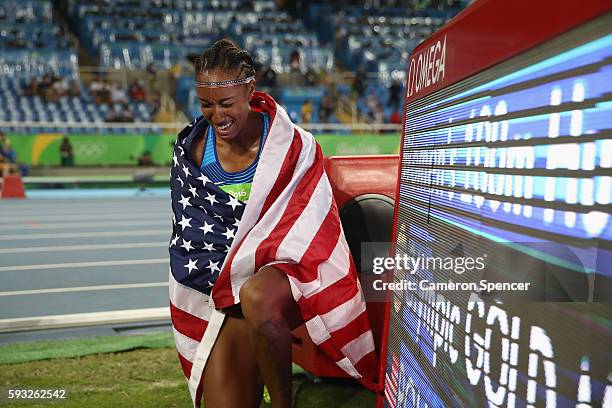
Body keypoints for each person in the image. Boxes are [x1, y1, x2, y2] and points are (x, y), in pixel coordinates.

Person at [169, 39, 378, 408]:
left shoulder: (292, 146)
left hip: (286, 273)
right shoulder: (193, 151)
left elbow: (309, 226)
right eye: (206, 104)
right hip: (218, 288)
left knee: (257, 296)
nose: (217, 115)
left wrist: (251, 255)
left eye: (226, 103)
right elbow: (191, 235)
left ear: (251, 89)